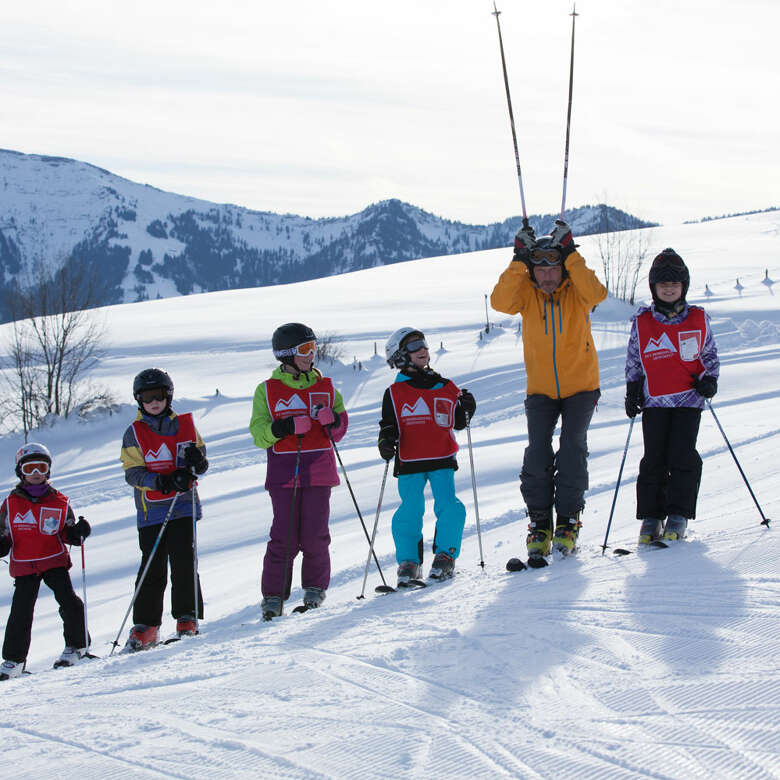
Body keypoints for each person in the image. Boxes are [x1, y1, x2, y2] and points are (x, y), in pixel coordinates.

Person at [490, 220, 607, 567]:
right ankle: (540, 524)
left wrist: (571, 254)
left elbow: (598, 292)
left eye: (553, 268)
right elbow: (500, 302)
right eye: (540, 270)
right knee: (537, 455)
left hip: (581, 387)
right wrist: (518, 260)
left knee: (572, 450)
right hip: (541, 389)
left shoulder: (578, 292)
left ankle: (568, 521)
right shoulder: (526, 293)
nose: (547, 276)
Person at [249, 323, 348, 619]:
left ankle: (315, 589)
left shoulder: (326, 387)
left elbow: (340, 429)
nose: (311, 354)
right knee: (284, 535)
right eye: (305, 349)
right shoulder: (267, 391)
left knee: (316, 535)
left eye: (313, 347)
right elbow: (258, 433)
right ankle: (273, 596)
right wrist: (285, 427)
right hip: (284, 474)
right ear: (287, 355)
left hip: (319, 470)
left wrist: (332, 421)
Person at [624, 248, 719, 544]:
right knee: (653, 458)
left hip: (688, 401)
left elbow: (709, 355)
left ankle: (678, 514)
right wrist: (632, 387)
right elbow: (634, 359)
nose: (668, 289)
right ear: (653, 288)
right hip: (654, 401)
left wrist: (710, 381)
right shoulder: (643, 322)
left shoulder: (697, 318)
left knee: (682, 455)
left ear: (684, 287)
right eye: (663, 284)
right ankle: (651, 517)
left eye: (674, 284)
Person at [377, 327, 476, 585]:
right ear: (400, 356)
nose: (422, 349)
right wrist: (386, 441)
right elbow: (388, 424)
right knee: (410, 510)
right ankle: (409, 562)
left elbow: (457, 422)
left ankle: (445, 555)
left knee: (449, 505)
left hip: (442, 457)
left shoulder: (445, 386)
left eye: (423, 344)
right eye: (413, 346)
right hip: (410, 460)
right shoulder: (394, 393)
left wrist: (467, 408)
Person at [120, 368, 209, 651]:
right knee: (152, 566)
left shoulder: (185, 425)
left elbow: (200, 458)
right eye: (147, 397)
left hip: (183, 506)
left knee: (184, 562)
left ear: (168, 396)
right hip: (152, 511)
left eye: (158, 396)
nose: (153, 402)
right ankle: (147, 625)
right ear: (139, 400)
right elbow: (133, 473)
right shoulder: (134, 432)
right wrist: (162, 481)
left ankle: (187, 616)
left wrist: (197, 463)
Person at [0, 443, 91, 679]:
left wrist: (77, 533)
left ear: (48, 470)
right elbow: (4, 532)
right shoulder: (10, 503)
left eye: (41, 467)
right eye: (30, 468)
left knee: (68, 601)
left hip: (53, 560)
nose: (36, 473)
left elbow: (66, 530)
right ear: (21, 472)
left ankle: (76, 646)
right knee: (21, 611)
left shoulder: (59, 501)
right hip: (25, 564)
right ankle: (14, 660)